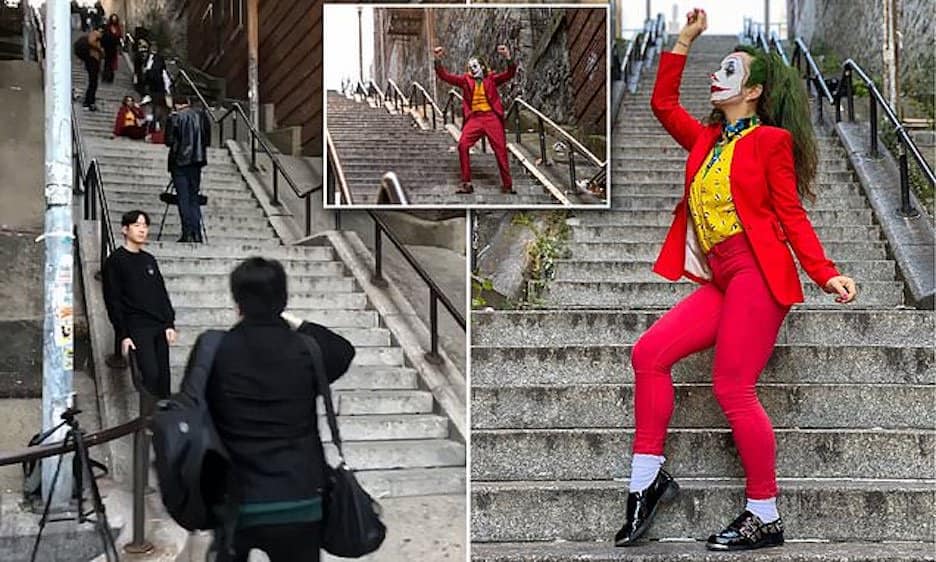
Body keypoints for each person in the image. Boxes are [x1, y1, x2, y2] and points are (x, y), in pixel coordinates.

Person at [613, 8, 858, 552]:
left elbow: (790, 214)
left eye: (729, 69)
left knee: (732, 385)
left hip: (757, 273)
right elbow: (660, 104)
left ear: (754, 91)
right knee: (648, 353)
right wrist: (682, 40)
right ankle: (646, 482)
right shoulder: (705, 139)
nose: (716, 75)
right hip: (722, 276)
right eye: (716, 68)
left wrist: (825, 272)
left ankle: (764, 513)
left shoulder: (769, 141)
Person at [195, 257, 355, 562]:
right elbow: (343, 350)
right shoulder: (306, 349)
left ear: (237, 300)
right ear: (282, 298)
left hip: (235, 500)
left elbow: (192, 409)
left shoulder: (215, 349)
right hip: (300, 497)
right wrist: (294, 319)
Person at [102, 210, 177, 400]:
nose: (142, 230)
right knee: (149, 375)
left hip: (159, 325)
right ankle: (148, 424)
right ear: (125, 230)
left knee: (164, 378)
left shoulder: (149, 259)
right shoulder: (116, 261)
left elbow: (161, 293)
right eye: (137, 225)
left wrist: (169, 323)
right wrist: (123, 334)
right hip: (137, 327)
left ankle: (164, 423)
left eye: (145, 226)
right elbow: (113, 299)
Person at [434, 44, 517, 195]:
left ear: (482, 67)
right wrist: (438, 61)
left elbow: (509, 74)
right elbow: (445, 77)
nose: (472, 68)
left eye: (475, 65)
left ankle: (507, 185)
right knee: (463, 145)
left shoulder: (491, 79)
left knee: (500, 150)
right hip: (475, 119)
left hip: (491, 117)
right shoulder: (465, 80)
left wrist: (508, 57)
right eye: (470, 66)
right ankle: (466, 183)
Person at [165, 95, 212, 243]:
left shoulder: (175, 117)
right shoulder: (201, 116)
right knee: (193, 198)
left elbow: (169, 141)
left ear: (176, 104)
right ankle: (197, 233)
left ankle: (187, 233)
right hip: (197, 161)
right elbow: (207, 139)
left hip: (180, 162)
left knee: (183, 199)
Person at [143, 42, 172, 132]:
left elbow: (159, 73)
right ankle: (151, 127)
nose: (153, 49)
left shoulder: (159, 59)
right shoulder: (147, 57)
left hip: (157, 88)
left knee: (157, 109)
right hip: (149, 86)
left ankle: (155, 128)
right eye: (152, 47)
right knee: (151, 108)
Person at [74, 26, 104, 111]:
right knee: (93, 83)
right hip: (92, 60)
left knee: (93, 82)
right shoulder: (95, 34)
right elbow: (92, 42)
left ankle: (90, 101)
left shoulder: (93, 36)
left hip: (91, 60)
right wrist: (100, 50)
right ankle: (89, 102)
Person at [101, 14, 123, 84]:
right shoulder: (107, 27)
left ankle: (110, 77)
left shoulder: (118, 28)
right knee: (107, 62)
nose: (114, 20)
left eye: (115, 19)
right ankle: (105, 77)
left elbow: (119, 37)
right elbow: (104, 37)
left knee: (111, 63)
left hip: (113, 47)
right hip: (107, 47)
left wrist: (119, 46)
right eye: (113, 18)